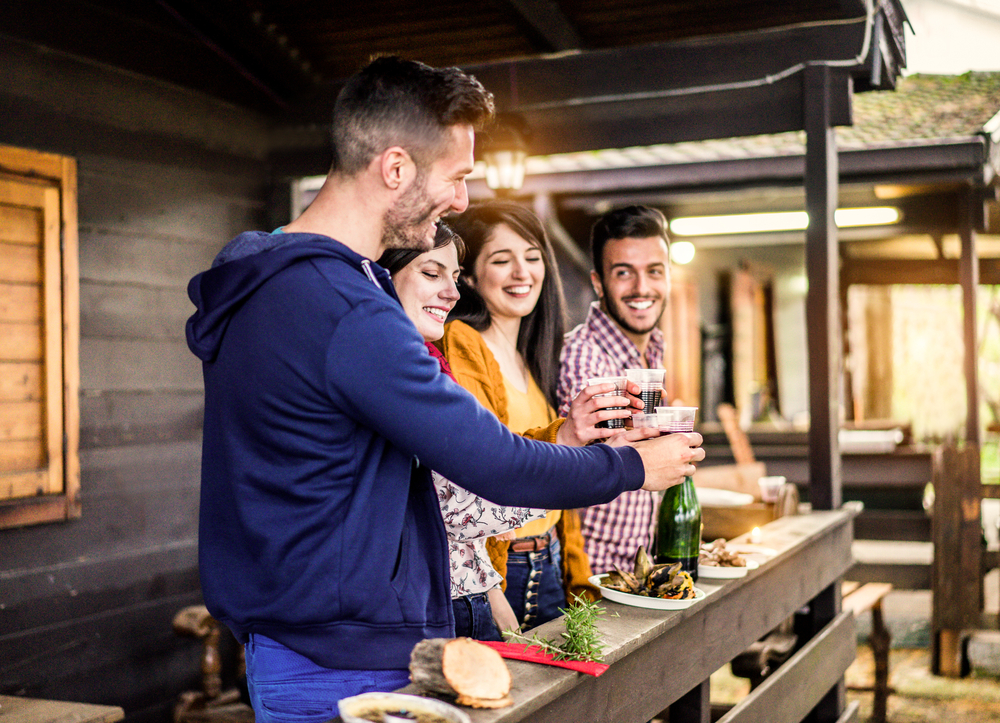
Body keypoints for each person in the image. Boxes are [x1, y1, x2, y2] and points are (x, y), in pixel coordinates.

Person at [186, 57, 703, 723]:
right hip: (343, 660)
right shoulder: (344, 308)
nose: (462, 200)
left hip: (292, 643)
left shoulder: (274, 280)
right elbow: (494, 461)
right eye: (457, 176)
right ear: (395, 168)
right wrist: (633, 464)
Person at [442, 201, 635, 630]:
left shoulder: (533, 355)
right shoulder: (463, 342)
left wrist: (576, 578)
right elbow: (477, 473)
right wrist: (491, 595)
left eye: (532, 258)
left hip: (546, 558)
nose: (522, 273)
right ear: (469, 276)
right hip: (501, 568)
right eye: (501, 260)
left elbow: (557, 485)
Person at [377, 223, 544, 640]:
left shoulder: (428, 359)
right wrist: (583, 469)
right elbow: (454, 504)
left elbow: (442, 499)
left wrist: (485, 582)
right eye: (431, 274)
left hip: (462, 591)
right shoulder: (393, 369)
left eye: (453, 277)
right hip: (429, 604)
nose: (452, 293)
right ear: (382, 275)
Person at [558, 205, 675, 575]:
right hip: (593, 582)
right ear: (598, 282)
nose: (642, 288)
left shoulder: (651, 351)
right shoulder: (584, 358)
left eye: (654, 271)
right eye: (624, 273)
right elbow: (588, 461)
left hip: (637, 569)